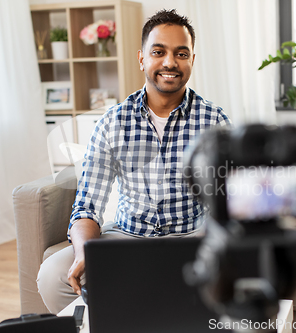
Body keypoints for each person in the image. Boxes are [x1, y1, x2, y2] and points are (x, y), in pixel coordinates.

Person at [37, 9, 231, 314]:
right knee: (52, 275)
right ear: (142, 58)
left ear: (192, 59)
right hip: (127, 236)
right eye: (159, 52)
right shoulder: (112, 122)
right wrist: (85, 252)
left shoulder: (215, 121)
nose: (170, 62)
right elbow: (87, 205)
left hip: (191, 236)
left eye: (181, 53)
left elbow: (229, 199)